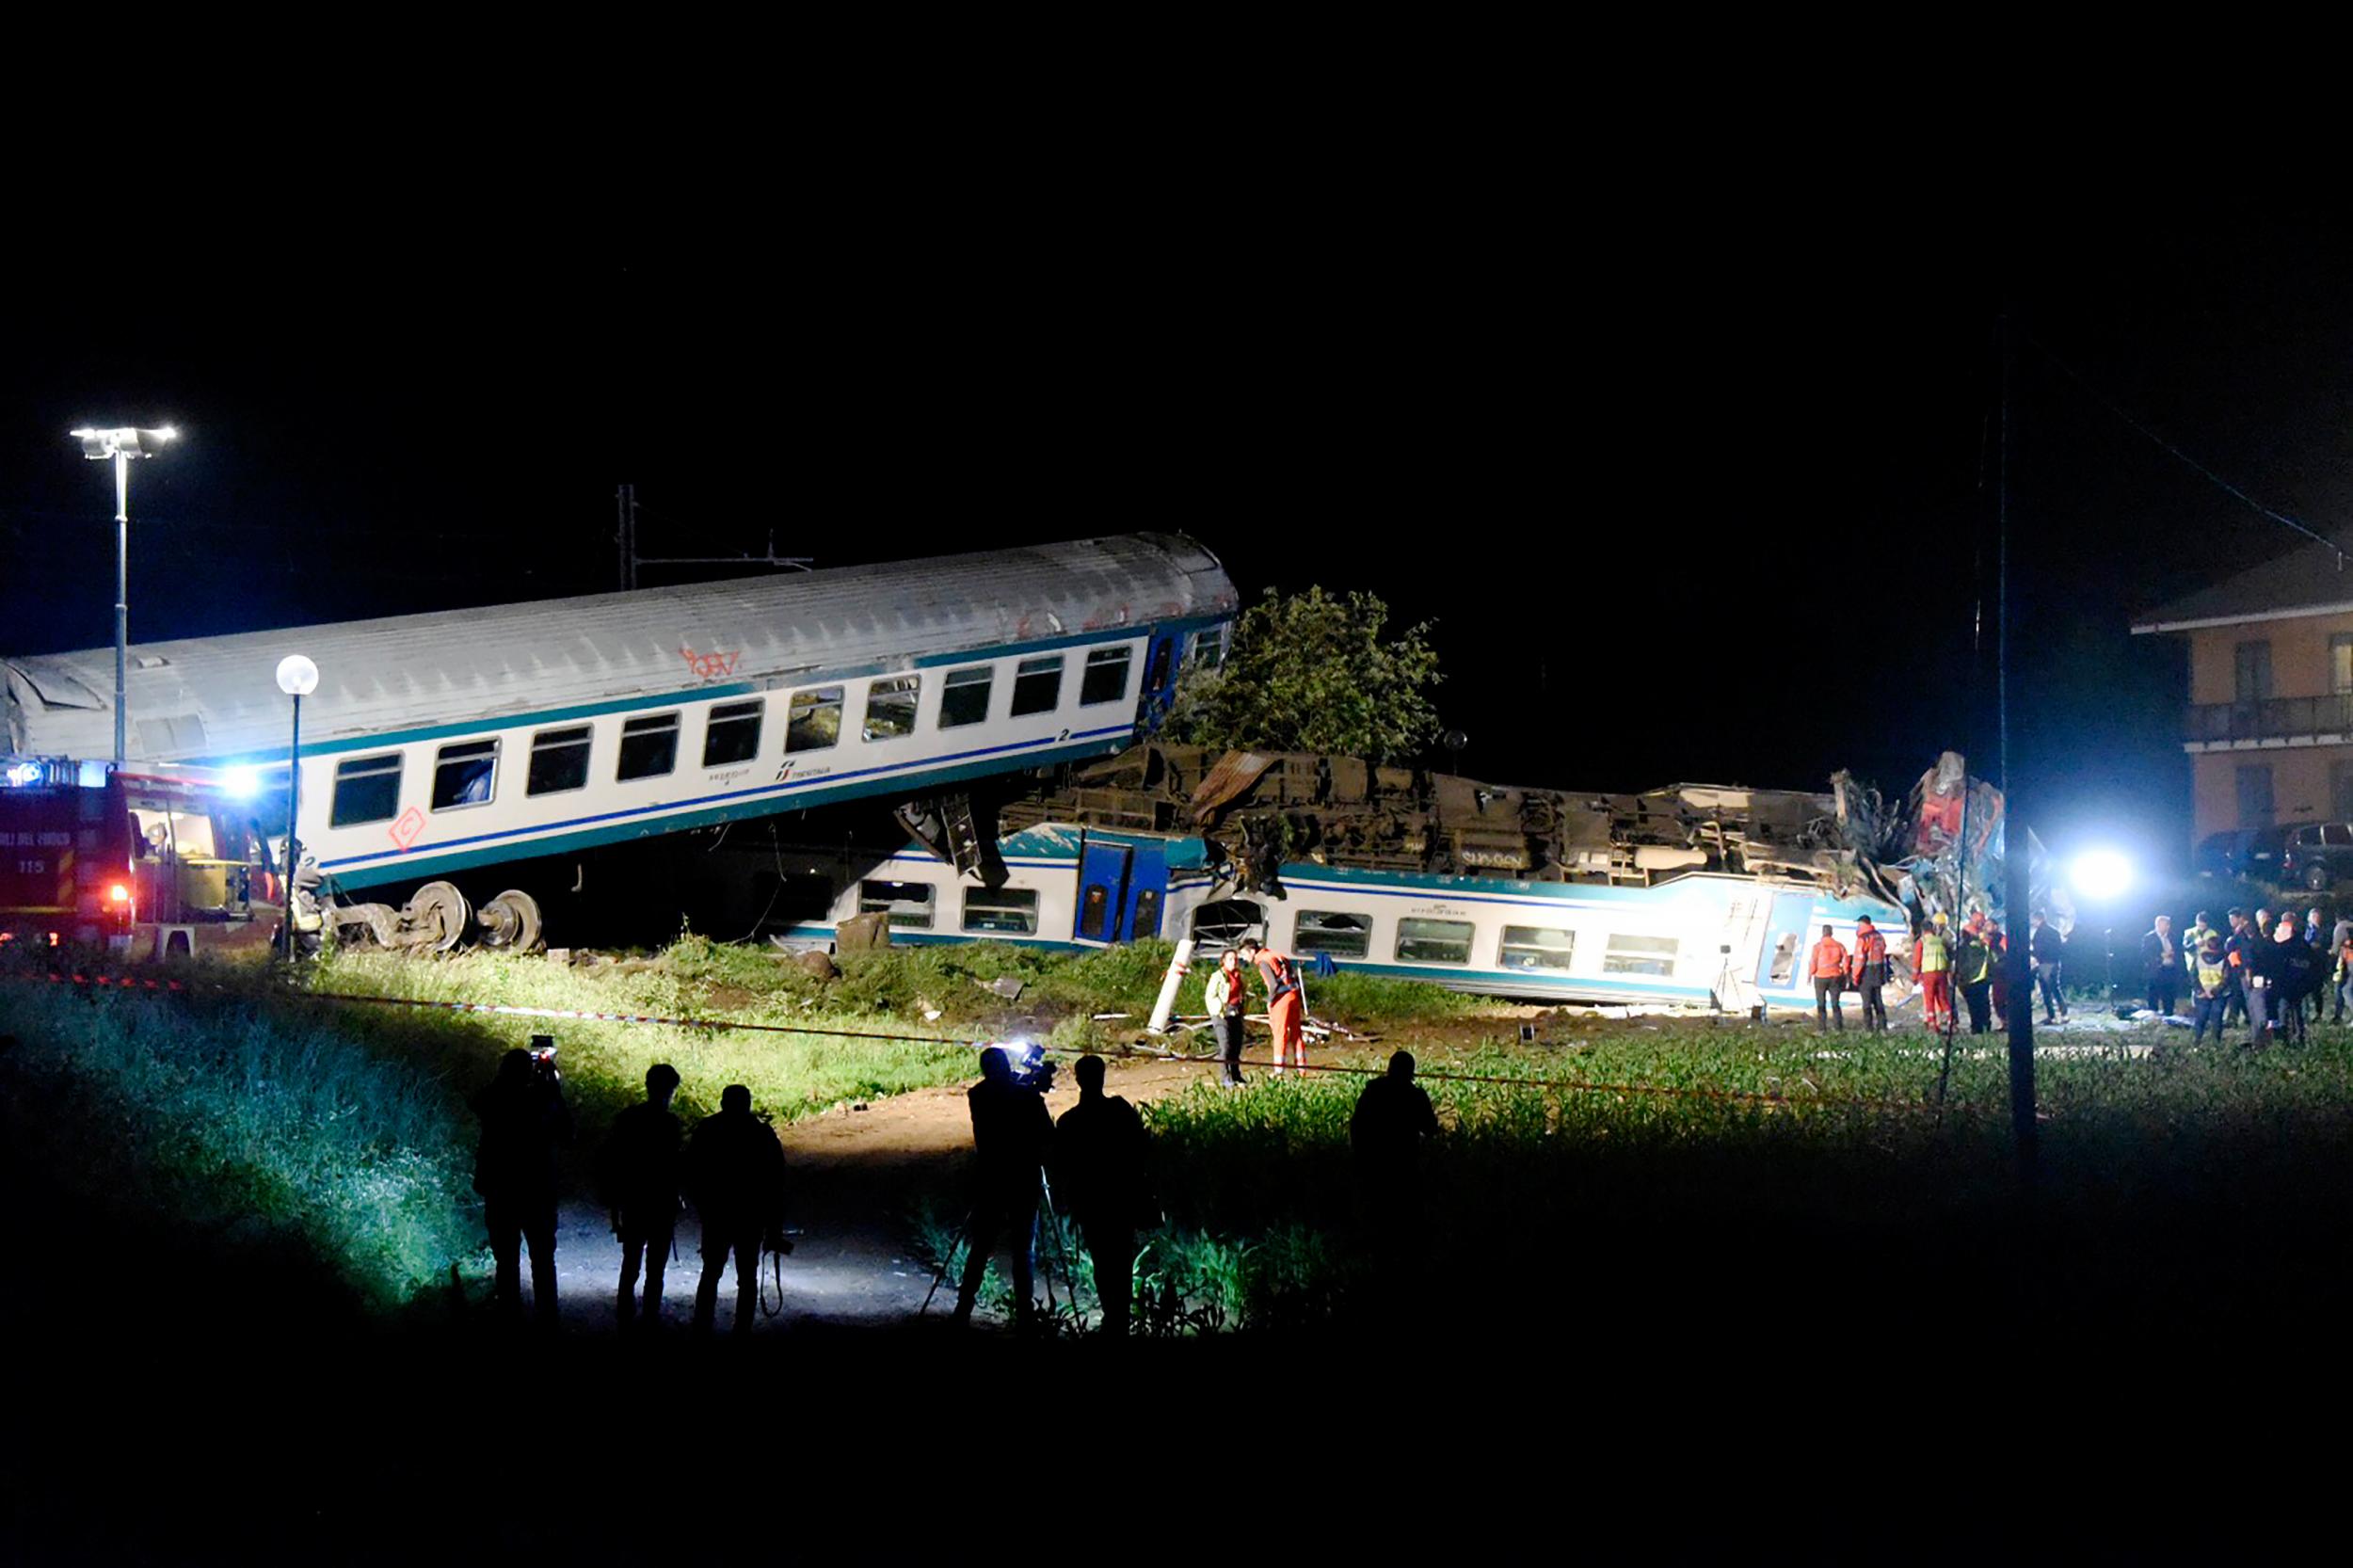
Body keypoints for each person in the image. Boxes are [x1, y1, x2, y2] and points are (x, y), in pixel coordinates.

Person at [1049, 1054, 1153, 1339]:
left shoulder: (1070, 1121)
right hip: (1121, 1196)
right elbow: (1142, 1149)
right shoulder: (1120, 1110)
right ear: (1103, 1077)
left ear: (1079, 1079)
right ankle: (1120, 1318)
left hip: (1091, 1201)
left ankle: (1113, 1317)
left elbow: (1060, 1163)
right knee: (1120, 1259)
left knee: (1103, 1262)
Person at [952, 1047, 1053, 1329]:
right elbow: (1047, 1133)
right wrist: (1034, 1088)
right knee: (1023, 1250)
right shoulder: (1023, 1096)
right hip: (1023, 1178)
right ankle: (1025, 1314)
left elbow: (1005, 1093)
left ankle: (963, 1309)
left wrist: (1030, 1085)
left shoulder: (979, 1095)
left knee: (982, 1246)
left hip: (991, 1178)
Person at [473, 1046, 573, 1326]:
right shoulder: (542, 1100)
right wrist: (553, 1089)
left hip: (502, 1190)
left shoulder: (495, 1099)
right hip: (537, 1191)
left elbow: (479, 1103)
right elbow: (568, 1132)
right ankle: (547, 1320)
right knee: (542, 1261)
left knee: (506, 1262)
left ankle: (510, 1318)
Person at [685, 1083, 789, 1336]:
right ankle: (742, 1329)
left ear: (723, 1104)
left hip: (717, 1213)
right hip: (749, 1216)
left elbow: (691, 1171)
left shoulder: (708, 1129)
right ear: (748, 1104)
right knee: (747, 1276)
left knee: (711, 1272)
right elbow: (776, 1182)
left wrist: (702, 1206)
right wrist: (773, 1225)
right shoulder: (761, 1134)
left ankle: (702, 1326)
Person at [596, 1064, 684, 1330]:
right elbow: (675, 1165)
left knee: (631, 1259)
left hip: (635, 1200)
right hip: (661, 1202)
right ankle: (649, 1315)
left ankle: (626, 1311)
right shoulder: (671, 1123)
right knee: (655, 1265)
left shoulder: (628, 1119)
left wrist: (614, 1206)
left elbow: (613, 1162)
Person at [1351, 1050, 1441, 1291]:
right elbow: (1431, 1128)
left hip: (1375, 1165)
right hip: (1404, 1165)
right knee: (1406, 1221)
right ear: (1411, 1072)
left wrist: (1360, 1157)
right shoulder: (1414, 1096)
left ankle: (1378, 1272)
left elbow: (1356, 1127)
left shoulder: (1373, 1092)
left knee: (1378, 1218)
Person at [1238, 936, 1306, 1075]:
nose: (1244, 959)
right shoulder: (1275, 954)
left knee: (1279, 1033)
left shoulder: (1262, 961)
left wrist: (1270, 1001)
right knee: (1296, 1032)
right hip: (1294, 994)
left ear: (1251, 951)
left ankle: (1278, 1070)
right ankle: (1302, 1067)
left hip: (1282, 998)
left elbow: (1273, 984)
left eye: (1244, 955)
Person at [1204, 947, 1248, 1087]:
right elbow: (1210, 996)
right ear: (1223, 961)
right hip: (1221, 1014)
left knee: (1236, 1045)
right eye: (1230, 959)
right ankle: (1225, 1077)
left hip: (1236, 1012)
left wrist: (1243, 1009)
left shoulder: (1240, 976)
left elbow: (1243, 993)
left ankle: (1236, 1075)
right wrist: (1220, 1009)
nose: (1234, 962)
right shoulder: (1217, 976)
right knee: (1225, 1045)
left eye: (1235, 959)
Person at [2243, 919, 2285, 1048]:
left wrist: (2249, 981)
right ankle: (2278, 1041)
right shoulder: (2279, 947)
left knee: (2258, 1015)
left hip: (2258, 983)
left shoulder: (2255, 945)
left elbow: (2249, 965)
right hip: (2275, 983)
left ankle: (2260, 1043)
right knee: (2273, 1013)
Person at [2274, 917, 2314, 1047]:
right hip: (2298, 983)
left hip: (2287, 983)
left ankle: (2285, 1039)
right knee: (2296, 1011)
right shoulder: (2302, 943)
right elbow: (2310, 963)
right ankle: (2298, 1037)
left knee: (2284, 1010)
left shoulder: (2283, 943)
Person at [1954, 916, 1995, 1035]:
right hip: (1973, 977)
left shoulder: (1977, 940)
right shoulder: (1970, 942)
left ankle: (1980, 1026)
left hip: (1977, 977)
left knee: (1978, 1003)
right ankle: (1980, 1026)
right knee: (1978, 1003)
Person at [1849, 916, 1891, 1032]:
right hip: (1878, 972)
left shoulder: (1863, 939)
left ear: (1862, 924)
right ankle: (1883, 1026)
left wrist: (1855, 977)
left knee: (1866, 1003)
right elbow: (1883, 951)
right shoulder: (1879, 936)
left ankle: (1868, 1028)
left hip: (1866, 974)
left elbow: (1859, 960)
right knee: (1878, 1000)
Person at [1915, 913, 1954, 1033]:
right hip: (1941, 972)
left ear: (1922, 930)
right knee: (1943, 998)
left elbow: (1917, 960)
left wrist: (1915, 976)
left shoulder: (1922, 942)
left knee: (1929, 1000)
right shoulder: (1940, 940)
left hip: (1928, 973)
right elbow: (1949, 956)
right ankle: (1951, 1022)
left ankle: (1933, 1025)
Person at [2190, 933, 2232, 1045]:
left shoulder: (2198, 958)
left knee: (2200, 1019)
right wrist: (2215, 991)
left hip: (2202, 994)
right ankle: (2215, 1045)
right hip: (2219, 995)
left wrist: (2200, 991)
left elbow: (2193, 976)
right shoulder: (2225, 960)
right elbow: (2226, 979)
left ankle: (2197, 1043)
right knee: (2216, 1020)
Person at [2028, 911, 2069, 1024]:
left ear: (2038, 919)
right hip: (2053, 962)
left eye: (2033, 920)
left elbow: (2040, 948)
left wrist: (2033, 953)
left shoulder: (2041, 933)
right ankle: (2063, 1014)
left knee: (2047, 990)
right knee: (2054, 989)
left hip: (2045, 963)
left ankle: (2052, 1016)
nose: (2032, 922)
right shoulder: (2053, 931)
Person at [1808, 924, 1849, 1032]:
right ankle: (1838, 1028)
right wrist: (1846, 974)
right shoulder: (1839, 946)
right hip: (1835, 976)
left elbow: (1813, 962)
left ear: (1823, 933)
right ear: (1831, 933)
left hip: (1820, 977)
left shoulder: (1817, 946)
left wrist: (1810, 975)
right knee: (1835, 1003)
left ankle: (1822, 1029)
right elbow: (1846, 961)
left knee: (1821, 1003)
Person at [2140, 915, 2180, 1016]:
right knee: (2153, 995)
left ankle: (2169, 1015)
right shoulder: (2149, 938)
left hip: (2170, 970)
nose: (2166, 927)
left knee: (2169, 995)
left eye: (2167, 925)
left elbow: (2179, 950)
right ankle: (2153, 1017)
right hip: (2156, 971)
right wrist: (2160, 956)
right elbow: (2145, 954)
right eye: (2163, 924)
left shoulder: (2172, 936)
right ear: (2157, 925)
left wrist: (2174, 954)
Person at [2223, 909, 2254, 1028]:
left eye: (2232, 919)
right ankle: (2241, 1017)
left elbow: (2232, 947)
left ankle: (2239, 1018)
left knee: (2240, 994)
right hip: (2235, 967)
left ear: (2240, 918)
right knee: (2237, 994)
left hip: (2242, 968)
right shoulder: (2237, 932)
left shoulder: (2243, 932)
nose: (2231, 921)